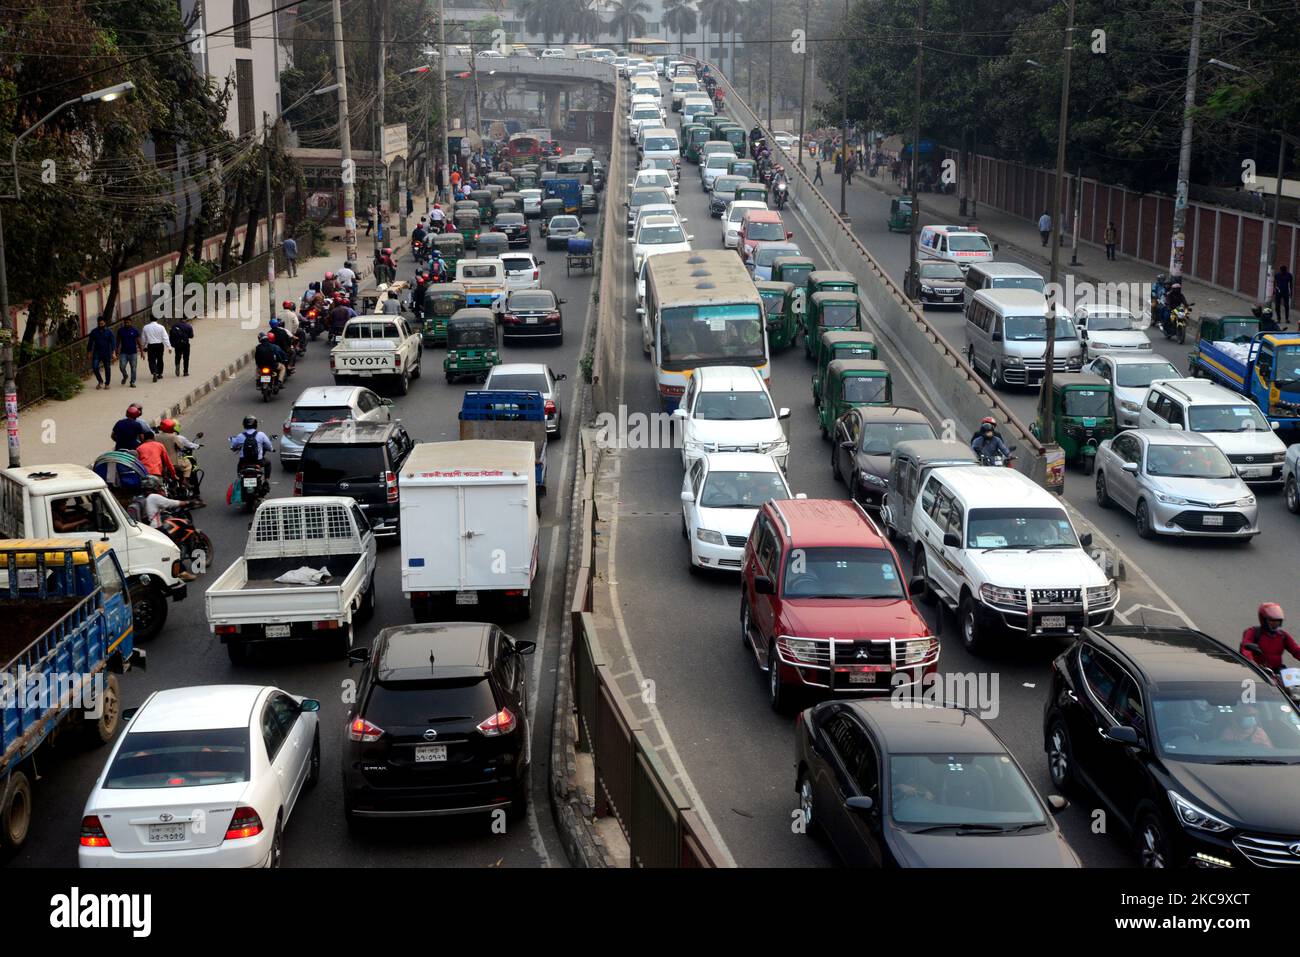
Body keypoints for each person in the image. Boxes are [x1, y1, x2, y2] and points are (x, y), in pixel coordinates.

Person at [1240, 602, 1300, 674]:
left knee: (1293, 683)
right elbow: (1245, 648)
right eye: (1272, 620)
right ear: (1264, 620)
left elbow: (1296, 650)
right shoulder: (1253, 632)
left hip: (1277, 671)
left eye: (1277, 621)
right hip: (1257, 670)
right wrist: (1251, 661)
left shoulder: (1283, 636)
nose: (1275, 623)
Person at [155, 418, 200, 494]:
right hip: (174, 462)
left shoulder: (156, 436)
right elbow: (180, 446)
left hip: (161, 462)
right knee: (188, 465)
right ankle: (184, 481)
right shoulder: (173, 436)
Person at [87, 316, 116, 390]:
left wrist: (113, 352)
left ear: (105, 323)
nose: (101, 325)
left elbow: (113, 342)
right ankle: (100, 381)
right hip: (97, 353)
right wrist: (89, 352)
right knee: (95, 367)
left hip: (106, 353)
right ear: (98, 323)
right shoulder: (94, 332)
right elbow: (90, 342)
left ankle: (107, 384)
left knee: (107, 368)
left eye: (102, 323)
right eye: (100, 324)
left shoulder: (109, 332)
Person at [141, 316, 169, 382]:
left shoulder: (145, 327)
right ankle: (159, 373)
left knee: (151, 360)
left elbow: (143, 338)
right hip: (159, 345)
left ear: (150, 319)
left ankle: (154, 372)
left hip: (151, 346)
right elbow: (165, 337)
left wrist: (143, 346)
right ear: (157, 319)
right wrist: (169, 346)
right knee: (160, 359)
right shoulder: (161, 327)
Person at [116, 317, 142, 387]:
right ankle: (125, 376)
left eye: (128, 322)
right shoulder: (120, 331)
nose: (127, 324)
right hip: (123, 353)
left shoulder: (135, 330)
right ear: (124, 323)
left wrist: (142, 352)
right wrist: (117, 351)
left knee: (133, 368)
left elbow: (139, 342)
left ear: (131, 322)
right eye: (125, 322)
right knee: (122, 367)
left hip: (133, 353)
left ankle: (132, 382)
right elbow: (118, 341)